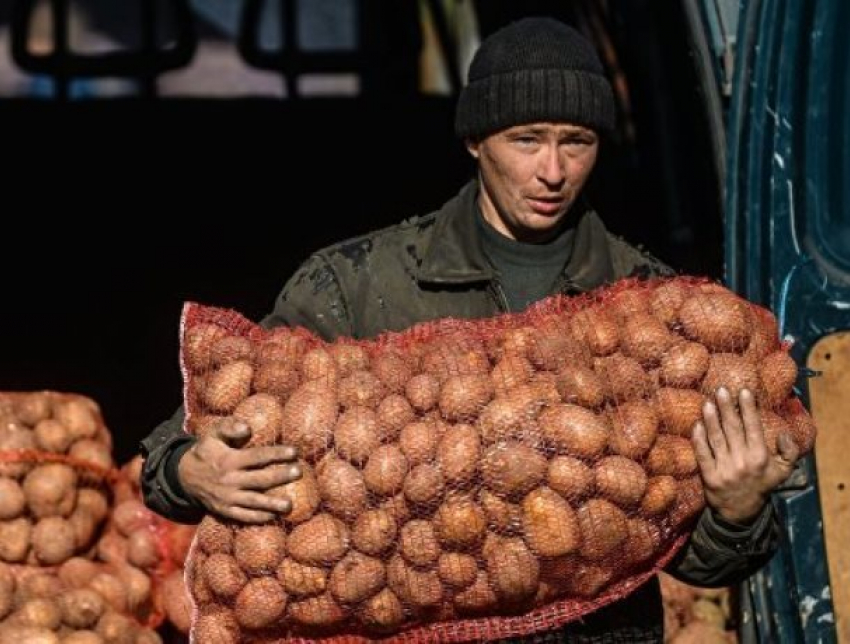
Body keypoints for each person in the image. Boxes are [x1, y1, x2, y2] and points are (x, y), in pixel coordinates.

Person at [140, 16, 800, 642]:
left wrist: (737, 509)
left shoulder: (652, 312)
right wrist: (189, 470)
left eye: (577, 142)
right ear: (475, 140)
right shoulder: (360, 284)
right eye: (527, 140)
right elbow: (183, 444)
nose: (553, 171)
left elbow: (701, 564)